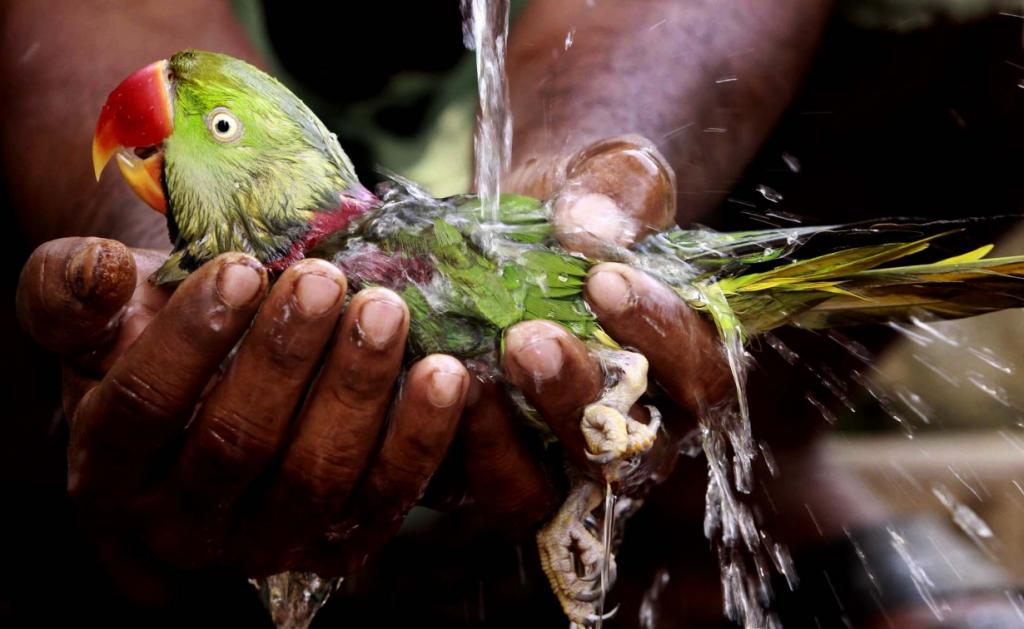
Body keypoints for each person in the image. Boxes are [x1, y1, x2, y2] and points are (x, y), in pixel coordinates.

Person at [5, 1, 1022, 626]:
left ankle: (723, 509)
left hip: (641, 231)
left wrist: (597, 185)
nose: (172, 134)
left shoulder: (370, 255)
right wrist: (127, 287)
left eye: (215, 127)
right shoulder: (248, 254)